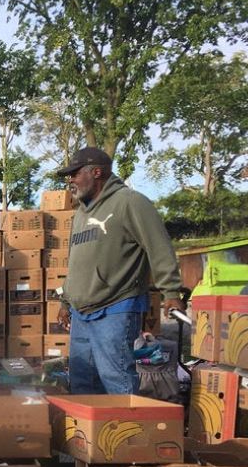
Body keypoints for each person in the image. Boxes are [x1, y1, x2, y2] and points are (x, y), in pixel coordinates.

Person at [53, 147, 184, 395]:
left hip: (116, 308)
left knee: (117, 380)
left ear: (96, 172)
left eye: (75, 173)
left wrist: (171, 292)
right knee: (82, 383)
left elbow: (159, 248)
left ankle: (127, 433)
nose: (70, 180)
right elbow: (76, 263)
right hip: (81, 314)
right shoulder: (81, 214)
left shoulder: (130, 202)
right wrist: (65, 301)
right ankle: (90, 434)